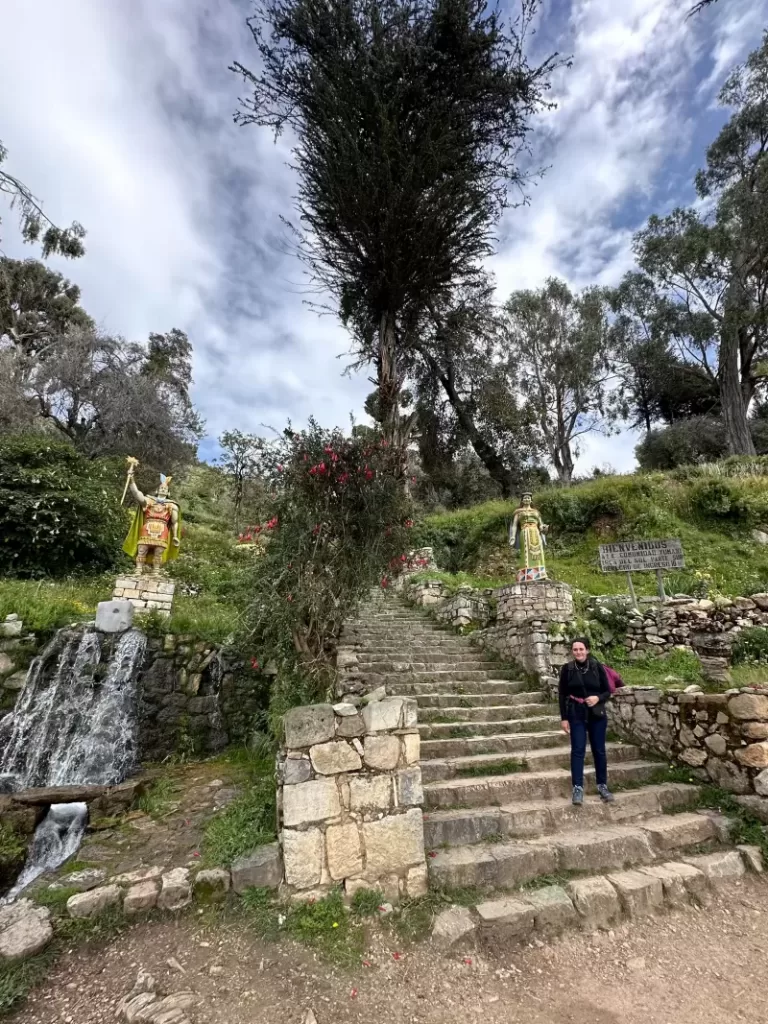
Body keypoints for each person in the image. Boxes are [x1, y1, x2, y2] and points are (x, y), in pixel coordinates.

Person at [559, 637, 614, 806]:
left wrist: (597, 698)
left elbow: (608, 691)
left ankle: (602, 785)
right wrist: (564, 718)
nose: (578, 652)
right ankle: (577, 788)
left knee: (599, 750)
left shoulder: (597, 667)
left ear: (587, 650)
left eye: (581, 649)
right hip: (576, 713)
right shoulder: (567, 669)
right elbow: (562, 694)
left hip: (596, 714)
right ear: (572, 651)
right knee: (578, 750)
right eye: (575, 650)